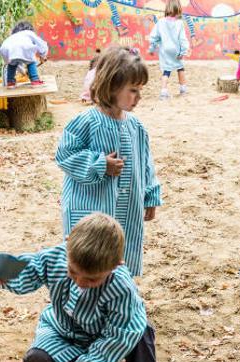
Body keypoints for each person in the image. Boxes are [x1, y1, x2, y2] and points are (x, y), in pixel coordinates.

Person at [0, 213, 159, 362]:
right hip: (65, 328)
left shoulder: (121, 288)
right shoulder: (55, 257)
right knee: (37, 360)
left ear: (117, 265)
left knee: (139, 336)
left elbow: (117, 337)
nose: (80, 282)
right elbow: (31, 268)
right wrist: (3, 279)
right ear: (67, 245)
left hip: (117, 330)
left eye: (92, 279)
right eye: (73, 272)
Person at [56, 47, 162, 277]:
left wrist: (151, 195)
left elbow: (146, 164)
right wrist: (100, 165)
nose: (139, 97)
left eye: (140, 90)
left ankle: (117, 294)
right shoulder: (86, 122)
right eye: (133, 90)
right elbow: (65, 155)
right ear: (112, 86)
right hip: (91, 207)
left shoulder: (136, 126)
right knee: (90, 256)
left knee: (122, 255)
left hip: (127, 209)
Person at [148, 0, 190, 99]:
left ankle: (163, 92)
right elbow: (182, 39)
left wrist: (153, 46)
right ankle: (183, 89)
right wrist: (183, 51)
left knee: (166, 70)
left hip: (165, 50)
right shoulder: (179, 23)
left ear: (167, 8)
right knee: (180, 68)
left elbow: (154, 36)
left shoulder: (160, 22)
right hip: (176, 49)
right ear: (178, 8)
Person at [0, 21, 49, 88]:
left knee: (12, 64)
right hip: (24, 46)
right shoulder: (29, 33)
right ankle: (35, 80)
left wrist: (23, 71)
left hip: (5, 48)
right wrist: (43, 55)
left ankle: (10, 83)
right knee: (31, 62)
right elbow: (41, 44)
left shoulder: (13, 37)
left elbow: (13, 63)